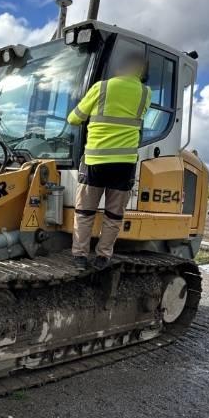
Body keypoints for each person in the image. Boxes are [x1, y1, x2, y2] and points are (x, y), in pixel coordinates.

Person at [66, 50, 151, 271]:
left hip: (95, 161)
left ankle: (80, 256)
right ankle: (104, 256)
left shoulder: (101, 87)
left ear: (120, 68)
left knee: (85, 212)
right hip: (124, 164)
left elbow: (74, 118)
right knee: (114, 215)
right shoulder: (145, 93)